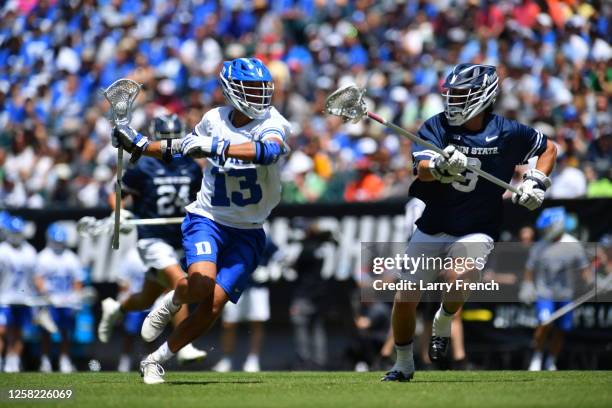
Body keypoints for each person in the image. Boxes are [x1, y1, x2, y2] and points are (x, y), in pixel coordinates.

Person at [111, 57, 290, 384]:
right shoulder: (213, 119)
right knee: (202, 283)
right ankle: (177, 297)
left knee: (213, 305)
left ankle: (155, 359)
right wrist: (139, 145)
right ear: (231, 90)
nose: (259, 96)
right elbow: (182, 147)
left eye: (261, 88)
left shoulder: (272, 121)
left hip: (249, 230)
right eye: (251, 88)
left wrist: (215, 145)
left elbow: (270, 151)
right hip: (208, 217)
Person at [382, 63, 557, 382]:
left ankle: (444, 319)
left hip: (478, 225)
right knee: (405, 297)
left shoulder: (507, 131)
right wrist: (440, 167)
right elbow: (421, 168)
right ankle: (404, 363)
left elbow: (548, 149)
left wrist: (536, 182)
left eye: (462, 95)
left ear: (484, 96)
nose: (453, 102)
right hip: (433, 223)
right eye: (452, 94)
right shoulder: (435, 126)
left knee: (458, 275)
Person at [97, 114, 207, 365]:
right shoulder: (143, 166)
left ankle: (116, 308)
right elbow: (116, 195)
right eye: (165, 139)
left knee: (148, 298)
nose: (169, 145)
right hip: (152, 238)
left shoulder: (190, 165)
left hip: (179, 237)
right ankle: (184, 344)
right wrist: (120, 212)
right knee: (181, 283)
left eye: (173, 139)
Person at [519, 207, 591, 371]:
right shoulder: (540, 247)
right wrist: (528, 285)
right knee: (545, 323)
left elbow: (584, 270)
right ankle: (536, 358)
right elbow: (529, 268)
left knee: (561, 330)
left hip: (565, 294)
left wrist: (592, 282)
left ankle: (551, 360)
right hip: (545, 293)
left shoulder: (574, 245)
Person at [212, 238, 278, 373]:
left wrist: (271, 270)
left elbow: (279, 255)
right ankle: (226, 359)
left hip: (257, 287)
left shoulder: (263, 237)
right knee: (229, 323)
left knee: (256, 323)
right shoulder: (232, 233)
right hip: (235, 284)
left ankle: (253, 360)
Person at [34, 223, 84, 373]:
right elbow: (37, 279)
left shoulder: (71, 258)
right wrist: (45, 293)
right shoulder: (43, 256)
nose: (58, 245)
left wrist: (75, 296)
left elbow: (77, 281)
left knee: (66, 331)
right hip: (49, 300)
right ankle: (45, 360)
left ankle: (64, 359)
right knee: (46, 331)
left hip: (66, 301)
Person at [0, 215, 37, 373]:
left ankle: (13, 360)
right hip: (4, 298)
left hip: (23, 298)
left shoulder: (29, 251)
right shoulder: (2, 250)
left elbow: (34, 278)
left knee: (18, 332)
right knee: (1, 330)